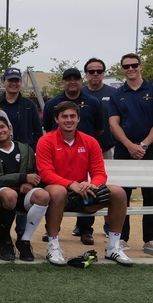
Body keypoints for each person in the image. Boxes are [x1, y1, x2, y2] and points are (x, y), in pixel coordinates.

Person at [36, 101, 133, 266]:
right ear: (56, 119)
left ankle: (113, 247)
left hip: (84, 192)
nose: (69, 120)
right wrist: (71, 184)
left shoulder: (90, 141)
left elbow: (99, 172)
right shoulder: (46, 141)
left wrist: (93, 184)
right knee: (58, 191)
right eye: (64, 116)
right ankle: (53, 245)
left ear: (78, 119)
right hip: (59, 194)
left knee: (119, 192)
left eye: (72, 116)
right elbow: (45, 173)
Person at [108, 52, 153, 251]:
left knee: (150, 194)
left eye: (134, 65)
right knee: (121, 194)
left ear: (140, 66)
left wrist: (143, 145)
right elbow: (113, 123)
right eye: (126, 66)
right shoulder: (117, 95)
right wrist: (129, 145)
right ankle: (121, 237)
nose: (131, 69)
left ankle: (150, 239)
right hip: (124, 149)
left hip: (149, 149)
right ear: (122, 69)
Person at [42, 67, 106, 245]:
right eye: (68, 79)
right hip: (59, 165)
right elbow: (48, 128)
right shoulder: (52, 104)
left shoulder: (93, 102)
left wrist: (92, 183)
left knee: (99, 190)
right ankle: (53, 232)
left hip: (82, 149)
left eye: (75, 78)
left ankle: (87, 231)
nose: (72, 81)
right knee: (58, 190)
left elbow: (99, 128)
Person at [0, 115, 50, 262]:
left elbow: (35, 171)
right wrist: (22, 178)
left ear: (9, 128)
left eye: (2, 127)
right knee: (10, 195)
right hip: (1, 192)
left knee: (43, 196)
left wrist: (30, 183)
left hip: (24, 192)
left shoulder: (25, 149)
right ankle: (5, 241)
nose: (0, 131)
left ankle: (24, 241)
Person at [0, 67, 43, 148]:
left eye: (16, 80)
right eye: (10, 80)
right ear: (4, 82)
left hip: (25, 152)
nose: (14, 83)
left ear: (21, 82)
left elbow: (38, 131)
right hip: (0, 151)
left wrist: (33, 150)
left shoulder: (29, 105)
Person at [81, 57, 116, 156]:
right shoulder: (79, 94)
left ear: (103, 73)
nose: (95, 74)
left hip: (107, 148)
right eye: (91, 71)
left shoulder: (114, 94)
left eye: (99, 71)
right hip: (82, 149)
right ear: (86, 74)